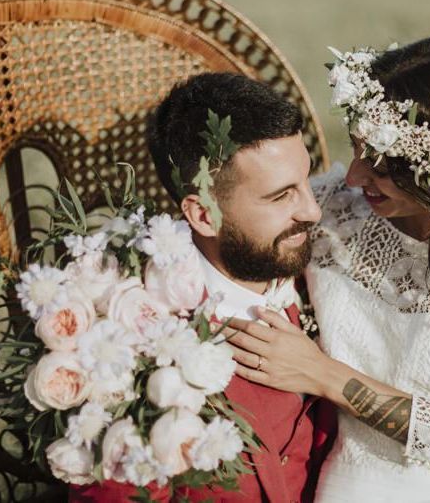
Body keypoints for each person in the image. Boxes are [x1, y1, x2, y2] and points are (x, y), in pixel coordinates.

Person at [225, 36, 430, 502]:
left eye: (383, 166)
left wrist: (321, 374)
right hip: (359, 487)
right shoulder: (333, 210)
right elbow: (233, 229)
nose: (354, 177)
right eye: (356, 149)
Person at [70, 72, 336, 503]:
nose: (313, 210)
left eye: (307, 181)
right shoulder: (131, 346)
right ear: (203, 216)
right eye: (281, 196)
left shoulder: (326, 276)